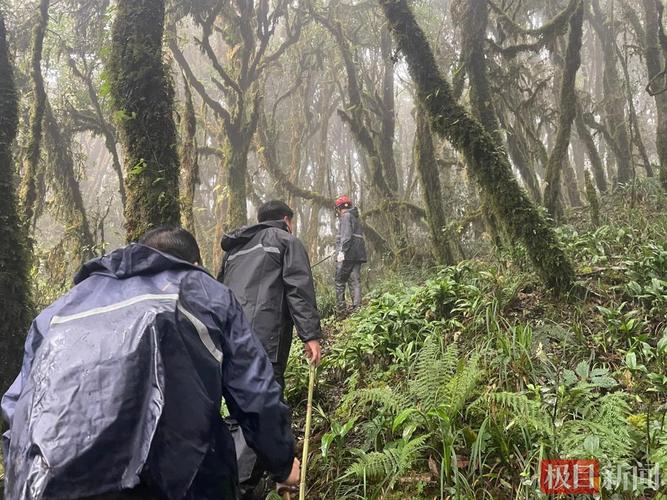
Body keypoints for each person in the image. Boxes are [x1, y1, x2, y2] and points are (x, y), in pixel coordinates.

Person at [1, 226, 299, 500]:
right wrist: (283, 463)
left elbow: (16, 408)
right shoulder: (203, 293)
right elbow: (255, 393)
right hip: (172, 483)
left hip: (45, 483)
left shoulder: (57, 312)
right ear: (194, 264)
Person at [218, 200, 322, 499]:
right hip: (265, 339)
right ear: (286, 220)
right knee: (261, 404)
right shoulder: (285, 241)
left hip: (228, 340)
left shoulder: (234, 250)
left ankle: (244, 478)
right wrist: (311, 335)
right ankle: (242, 486)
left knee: (238, 408)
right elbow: (298, 289)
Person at [334, 195, 367, 311]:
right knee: (355, 280)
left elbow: (346, 236)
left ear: (339, 208)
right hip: (358, 254)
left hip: (347, 254)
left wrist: (342, 252)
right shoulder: (355, 217)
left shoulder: (345, 216)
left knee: (339, 281)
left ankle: (341, 310)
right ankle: (357, 308)